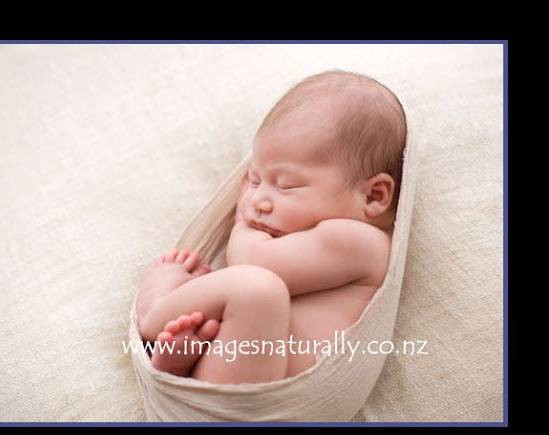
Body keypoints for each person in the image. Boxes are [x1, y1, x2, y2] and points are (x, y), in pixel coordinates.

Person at [135, 70, 407, 384]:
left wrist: (242, 224)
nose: (257, 200)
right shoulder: (314, 236)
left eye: (286, 186)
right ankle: (186, 367)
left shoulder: (362, 243)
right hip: (241, 372)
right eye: (254, 181)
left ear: (373, 196)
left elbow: (253, 262)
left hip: (271, 395)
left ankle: (154, 314)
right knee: (256, 300)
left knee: (257, 288)